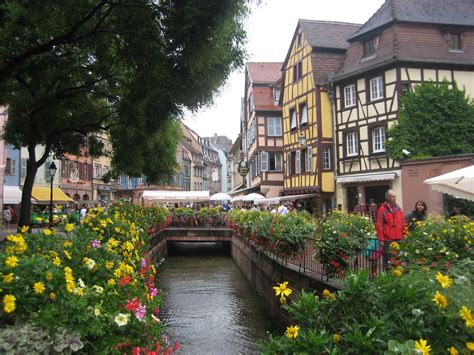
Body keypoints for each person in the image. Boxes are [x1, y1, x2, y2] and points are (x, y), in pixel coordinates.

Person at [376, 189, 406, 270]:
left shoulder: (398, 208)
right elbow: (379, 225)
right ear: (387, 197)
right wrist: (381, 239)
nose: (395, 198)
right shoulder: (382, 209)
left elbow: (403, 222)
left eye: (395, 196)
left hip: (398, 238)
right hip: (387, 239)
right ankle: (387, 275)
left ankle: (396, 275)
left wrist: (404, 233)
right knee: (388, 260)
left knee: (397, 259)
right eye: (393, 197)